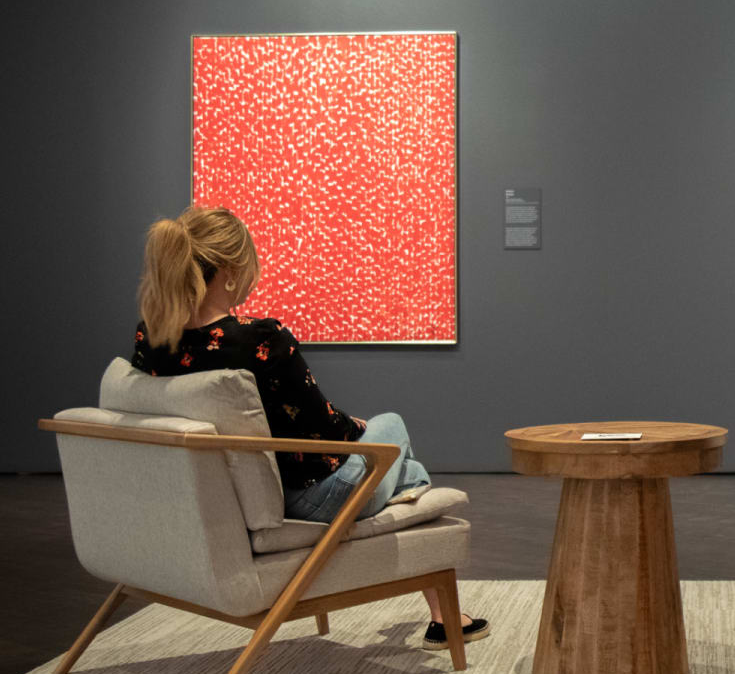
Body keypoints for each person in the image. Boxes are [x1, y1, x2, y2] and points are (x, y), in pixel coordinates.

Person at [131, 206, 488, 651]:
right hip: (313, 499)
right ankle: (444, 616)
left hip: (232, 500)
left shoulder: (153, 342)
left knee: (395, 459)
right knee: (390, 427)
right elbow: (326, 429)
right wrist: (355, 426)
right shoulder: (262, 338)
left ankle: (439, 600)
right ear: (228, 271)